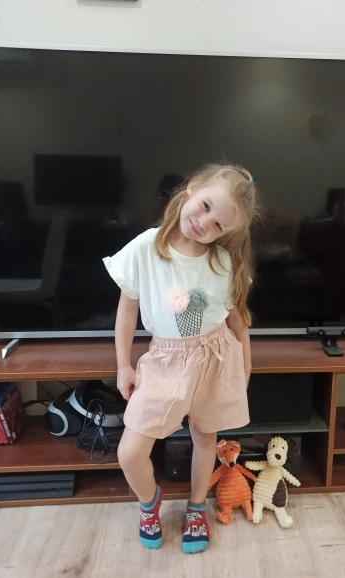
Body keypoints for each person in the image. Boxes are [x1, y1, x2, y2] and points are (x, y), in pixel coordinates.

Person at [103, 162, 260, 554]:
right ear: (193, 187)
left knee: (205, 439)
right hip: (165, 360)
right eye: (205, 206)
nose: (204, 223)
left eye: (218, 224)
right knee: (130, 453)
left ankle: (196, 508)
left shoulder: (222, 263)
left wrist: (245, 368)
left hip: (214, 358)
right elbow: (126, 311)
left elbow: (239, 323)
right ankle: (149, 502)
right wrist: (123, 365)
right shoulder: (145, 248)